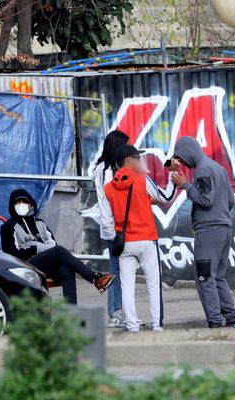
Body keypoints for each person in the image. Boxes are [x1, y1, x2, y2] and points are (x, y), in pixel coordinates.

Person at [171, 137, 235, 328]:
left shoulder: (202, 170)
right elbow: (231, 201)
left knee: (205, 278)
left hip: (208, 233)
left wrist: (185, 184)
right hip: (224, 230)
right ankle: (233, 319)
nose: (182, 163)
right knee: (218, 277)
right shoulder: (218, 168)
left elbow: (205, 199)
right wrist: (219, 214)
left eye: (181, 158)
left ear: (188, 152)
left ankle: (215, 322)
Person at [104, 145, 176, 332]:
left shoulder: (108, 188)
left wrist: (116, 239)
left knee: (127, 287)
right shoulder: (143, 180)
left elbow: (106, 221)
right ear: (128, 160)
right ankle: (157, 325)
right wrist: (172, 175)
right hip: (146, 240)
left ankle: (132, 326)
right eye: (137, 157)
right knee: (153, 285)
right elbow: (166, 196)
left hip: (124, 243)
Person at [0, 189, 114, 304]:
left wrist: (34, 246)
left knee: (66, 269)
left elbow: (53, 245)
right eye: (17, 203)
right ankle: (95, 278)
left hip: (44, 265)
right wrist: (37, 247)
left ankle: (71, 314)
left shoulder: (40, 224)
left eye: (23, 202)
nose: (21, 205)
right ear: (12, 206)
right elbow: (12, 253)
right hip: (25, 265)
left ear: (30, 204)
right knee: (59, 251)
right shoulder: (8, 227)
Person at [93, 130, 129, 328]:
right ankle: (115, 312)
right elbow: (109, 201)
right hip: (113, 228)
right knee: (116, 270)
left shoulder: (105, 169)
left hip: (113, 227)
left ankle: (120, 311)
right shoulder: (107, 172)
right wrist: (114, 229)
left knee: (120, 269)